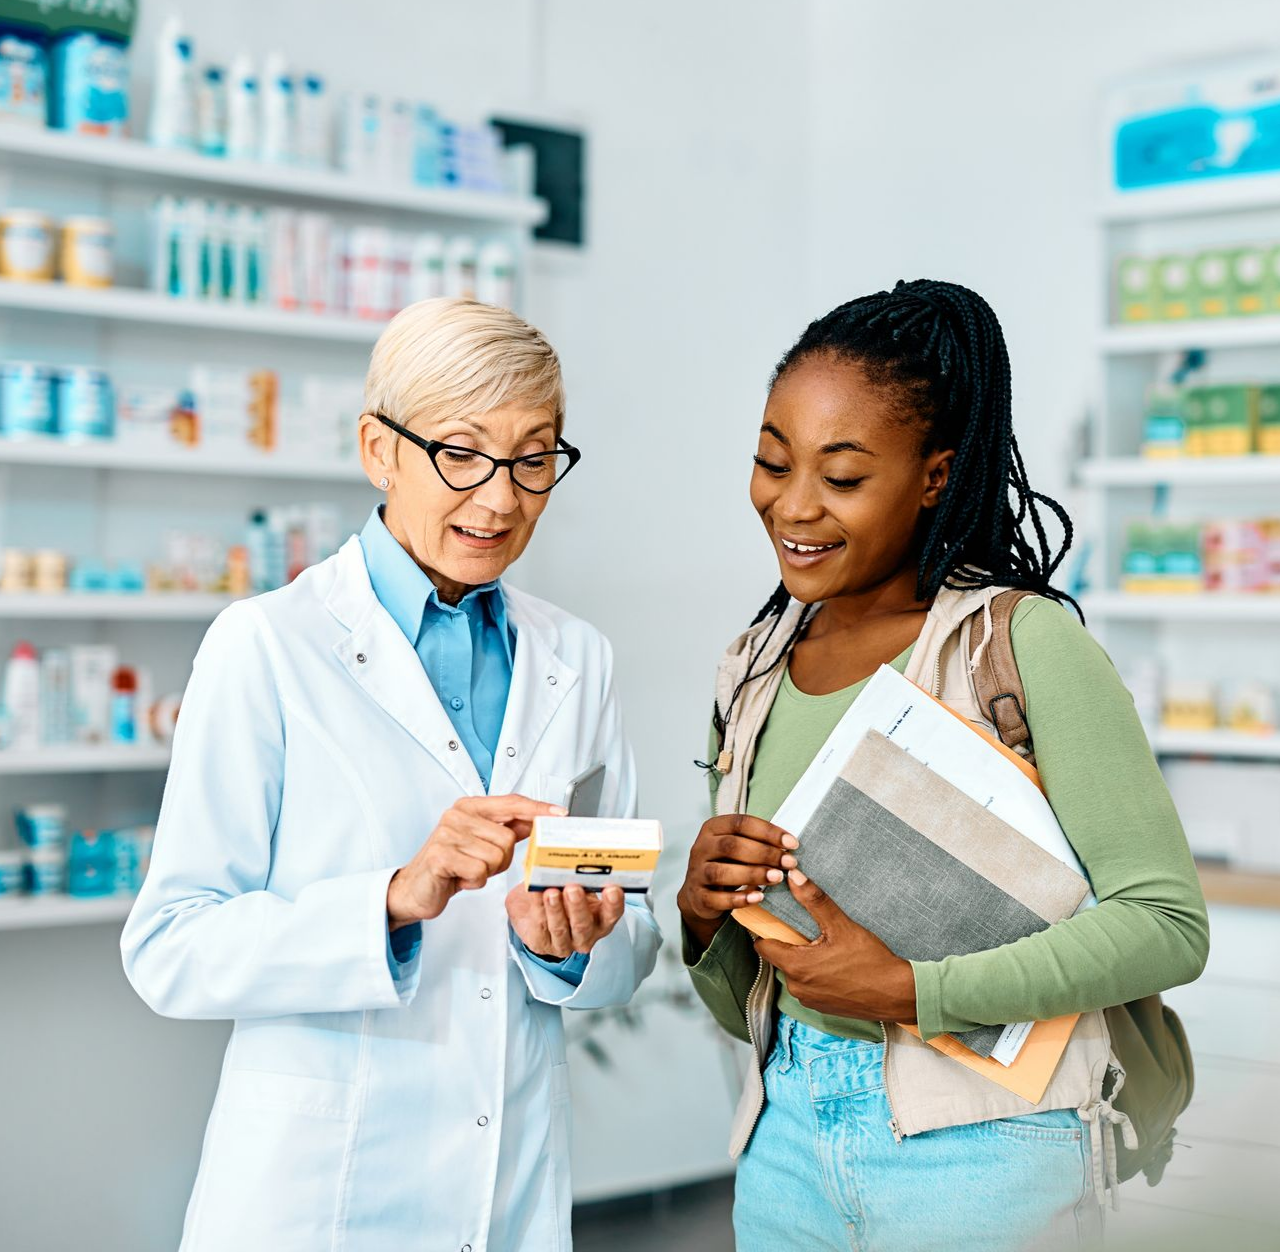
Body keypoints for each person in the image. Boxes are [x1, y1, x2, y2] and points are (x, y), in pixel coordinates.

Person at [677, 280, 1208, 1250]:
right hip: (783, 1126)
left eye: (840, 478)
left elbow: (1165, 925)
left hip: (987, 1140)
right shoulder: (749, 668)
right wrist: (702, 911)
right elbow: (748, 994)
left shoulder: (1020, 646)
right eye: (770, 461)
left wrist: (912, 991)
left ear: (933, 476)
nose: (791, 505)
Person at [122, 297, 661, 1251]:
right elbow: (171, 945)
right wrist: (395, 899)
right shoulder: (269, 646)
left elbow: (632, 931)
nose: (500, 499)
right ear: (380, 450)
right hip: (317, 1195)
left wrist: (570, 945)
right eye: (461, 453)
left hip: (508, 1183)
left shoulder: (579, 657)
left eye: (535, 459)